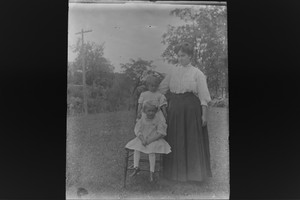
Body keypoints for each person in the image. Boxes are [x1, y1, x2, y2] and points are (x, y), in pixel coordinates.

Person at [159, 42, 212, 182]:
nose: (180, 58)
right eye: (178, 55)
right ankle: (174, 174)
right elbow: (161, 90)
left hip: (191, 110)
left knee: (191, 139)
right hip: (174, 109)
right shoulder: (172, 72)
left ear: (190, 56)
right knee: (175, 139)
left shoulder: (197, 73)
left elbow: (203, 96)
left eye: (183, 55)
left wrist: (204, 115)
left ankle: (194, 175)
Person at [125, 100, 171, 182]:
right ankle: (136, 167)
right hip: (143, 138)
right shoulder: (142, 120)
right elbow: (137, 130)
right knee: (137, 148)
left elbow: (160, 133)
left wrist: (150, 140)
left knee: (151, 151)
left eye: (153, 111)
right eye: (149, 111)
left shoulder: (157, 120)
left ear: (156, 111)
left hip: (154, 139)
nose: (151, 113)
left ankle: (151, 172)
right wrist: (142, 139)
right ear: (144, 111)